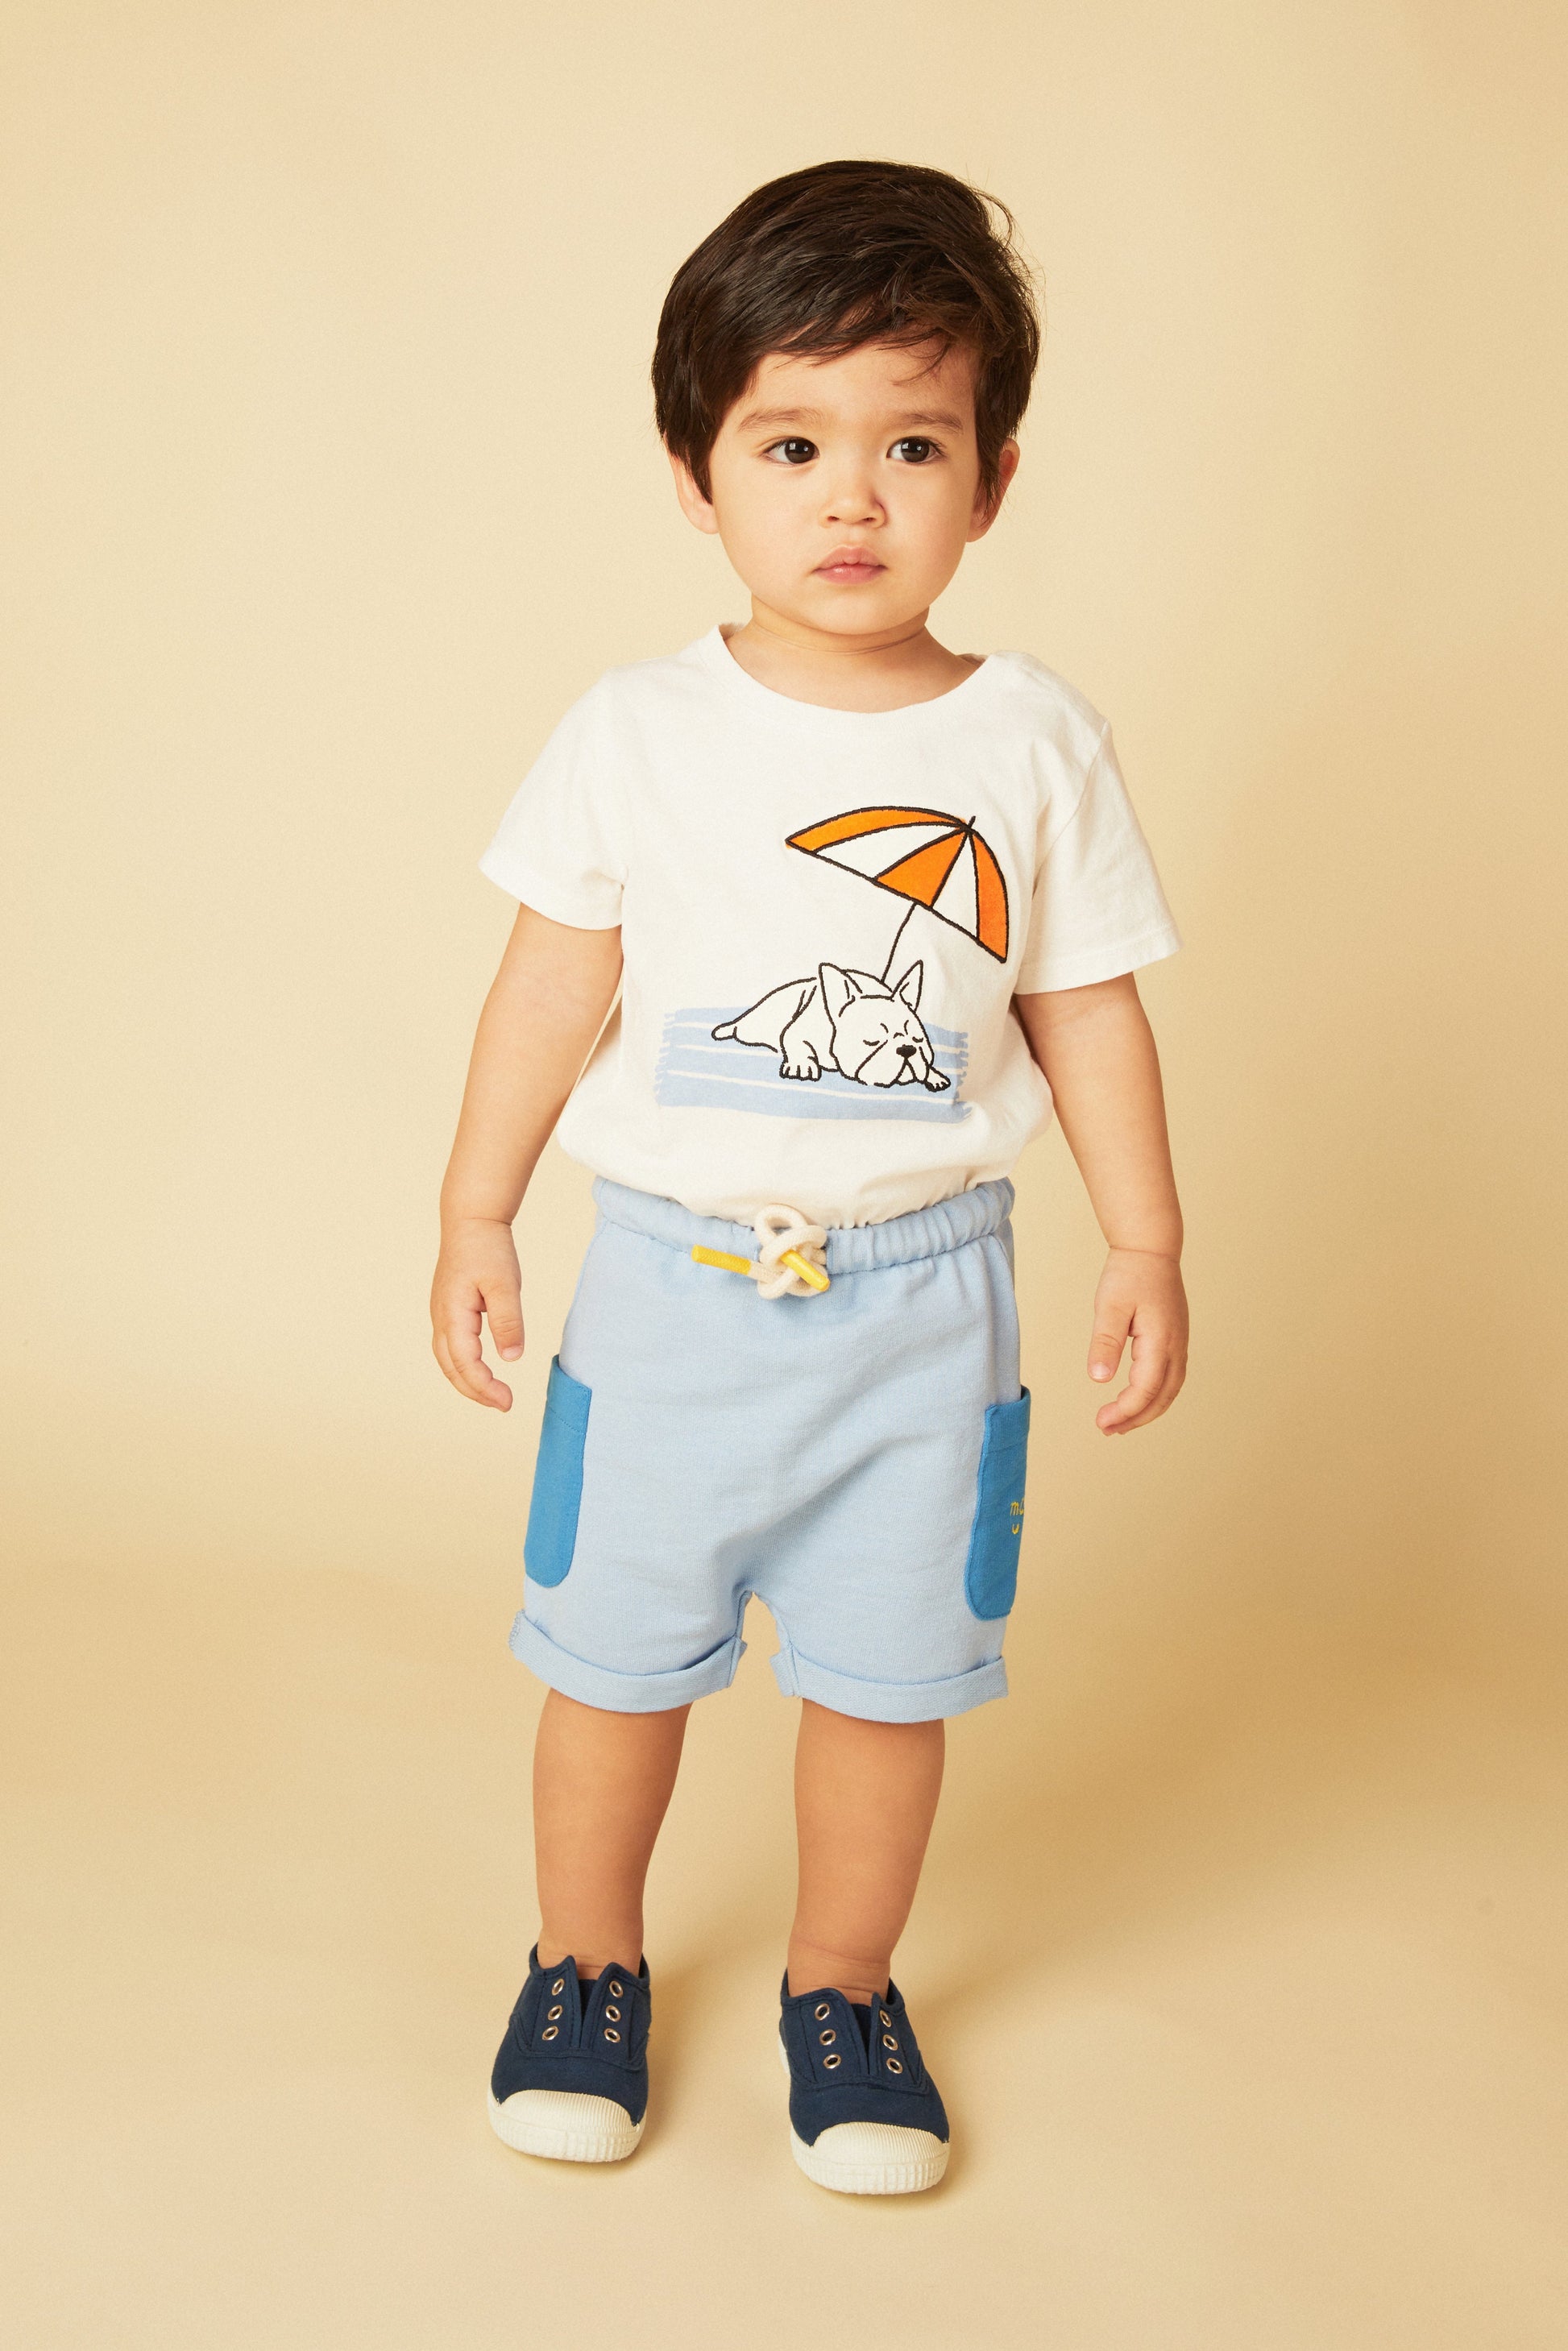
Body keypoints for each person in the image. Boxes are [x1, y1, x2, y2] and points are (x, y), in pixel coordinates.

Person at [430, 159, 1188, 2197]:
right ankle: (582, 1964)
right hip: (670, 1294)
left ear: (992, 481)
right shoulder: (636, 730)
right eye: (792, 445)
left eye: (909, 445)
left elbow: (1086, 1005)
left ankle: (842, 1985)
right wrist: (477, 1208)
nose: (852, 497)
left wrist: (1145, 1234)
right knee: (612, 1666)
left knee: (887, 1678)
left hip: (928, 1306)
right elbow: (549, 985)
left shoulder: (1033, 741)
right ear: (697, 474)